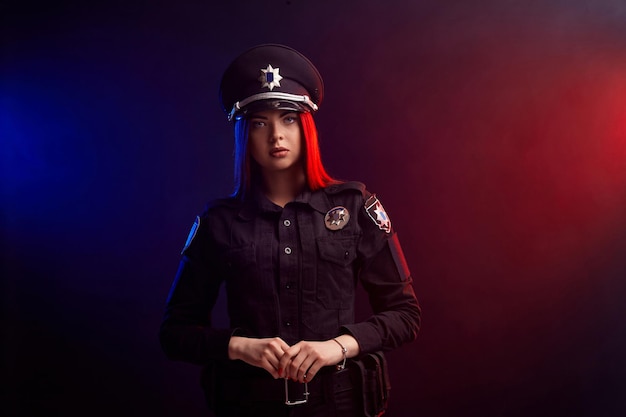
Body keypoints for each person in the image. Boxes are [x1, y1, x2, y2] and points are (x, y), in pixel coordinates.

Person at [159, 44, 421, 417]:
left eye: (288, 118)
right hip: (250, 406)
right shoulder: (219, 223)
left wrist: (339, 345)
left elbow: (405, 314)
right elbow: (175, 333)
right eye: (260, 123)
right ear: (244, 135)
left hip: (340, 407)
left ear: (307, 125)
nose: (275, 136)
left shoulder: (355, 206)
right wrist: (238, 346)